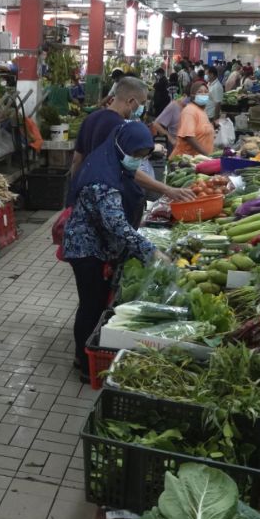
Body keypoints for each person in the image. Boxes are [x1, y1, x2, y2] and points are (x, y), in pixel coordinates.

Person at [64, 123, 166, 382]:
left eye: (144, 155)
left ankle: (81, 357)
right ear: (123, 146)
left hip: (95, 244)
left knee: (93, 304)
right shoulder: (103, 180)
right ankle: (86, 365)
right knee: (91, 305)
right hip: (85, 248)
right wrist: (150, 251)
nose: (139, 160)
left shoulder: (109, 159)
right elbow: (116, 225)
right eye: (137, 154)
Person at [71, 78, 194, 202]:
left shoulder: (90, 119)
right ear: (130, 101)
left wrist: (74, 192)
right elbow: (130, 171)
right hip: (113, 198)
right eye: (142, 103)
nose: (143, 108)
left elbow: (77, 160)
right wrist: (167, 189)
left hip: (88, 196)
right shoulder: (122, 128)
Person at [171, 81, 216, 158]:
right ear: (192, 95)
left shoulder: (202, 111)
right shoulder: (189, 111)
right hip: (187, 160)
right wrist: (207, 155)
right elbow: (189, 137)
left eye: (206, 92)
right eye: (199, 92)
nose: (203, 94)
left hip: (200, 160)